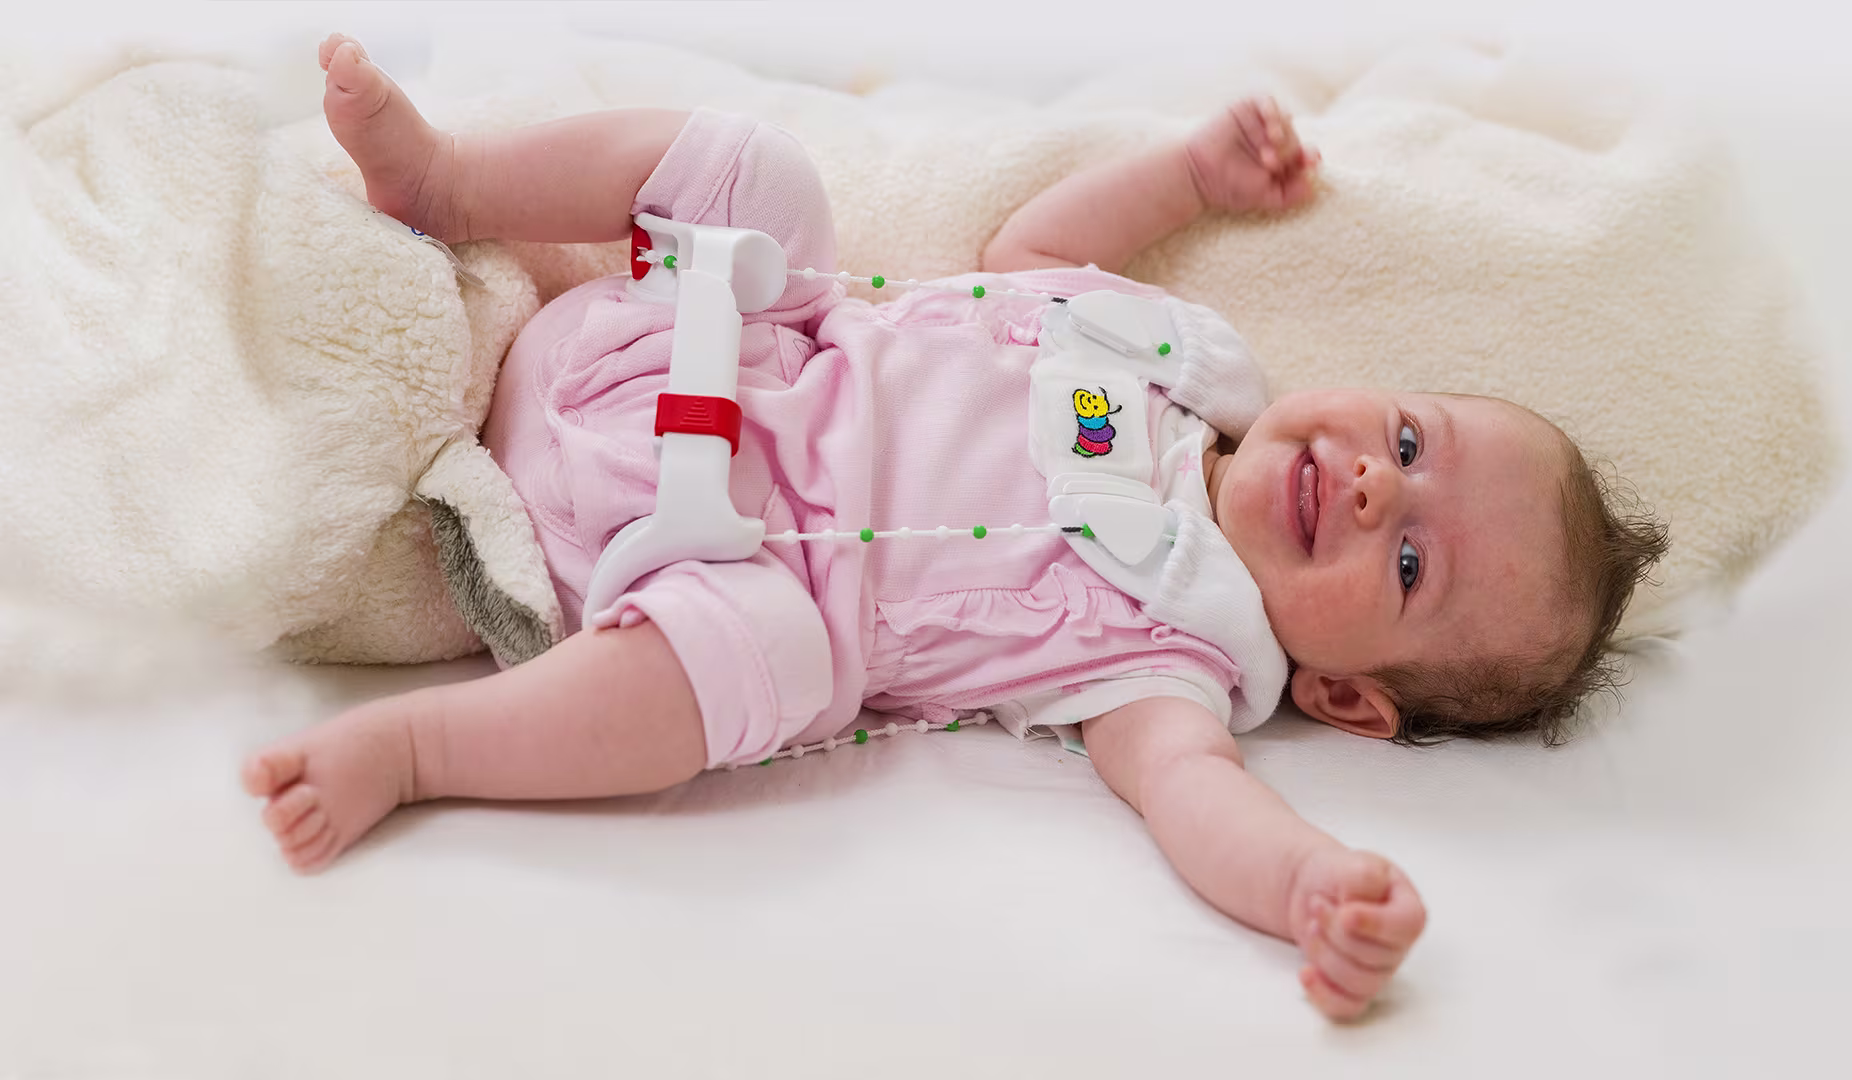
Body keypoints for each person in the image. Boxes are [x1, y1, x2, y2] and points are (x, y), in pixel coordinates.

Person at [243, 35, 1667, 1021]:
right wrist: (1191, 176)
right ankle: (450, 185)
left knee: (771, 671)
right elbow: (1028, 256)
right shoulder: (1174, 353)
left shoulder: (1173, 661)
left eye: (1409, 561)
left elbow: (1200, 808)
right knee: (760, 174)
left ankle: (423, 748)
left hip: (671, 571)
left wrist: (1305, 890)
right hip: (678, 346)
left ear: (1350, 694)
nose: (1372, 487)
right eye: (1409, 443)